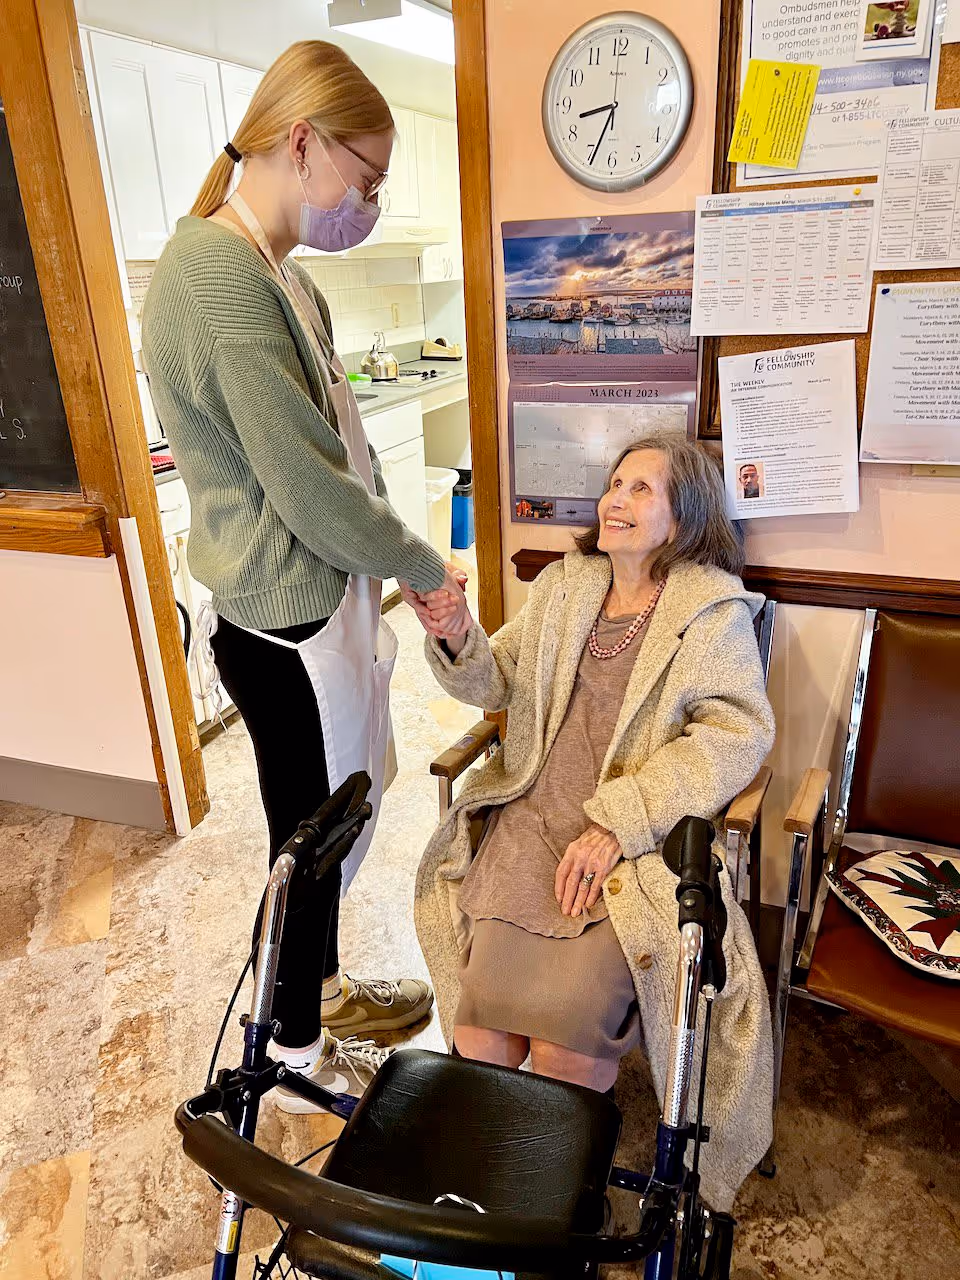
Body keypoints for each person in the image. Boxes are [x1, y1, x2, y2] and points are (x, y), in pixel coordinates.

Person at [141, 41, 467, 1105]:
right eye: (364, 179)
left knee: (336, 817)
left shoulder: (282, 274)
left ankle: (318, 990)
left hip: (321, 603)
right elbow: (311, 488)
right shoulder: (218, 276)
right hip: (279, 624)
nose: (365, 201)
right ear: (301, 142)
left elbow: (339, 451)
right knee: (307, 841)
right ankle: (288, 1053)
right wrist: (425, 566)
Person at [406, 434, 776, 1210]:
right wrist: (452, 627)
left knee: (564, 1035)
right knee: (482, 1035)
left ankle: (557, 1200)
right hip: (534, 816)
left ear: (683, 517)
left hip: (630, 850)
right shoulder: (567, 586)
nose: (617, 500)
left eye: (643, 489)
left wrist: (621, 823)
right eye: (615, 484)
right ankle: (480, 1206)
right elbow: (496, 676)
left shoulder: (710, 613)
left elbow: (737, 734)